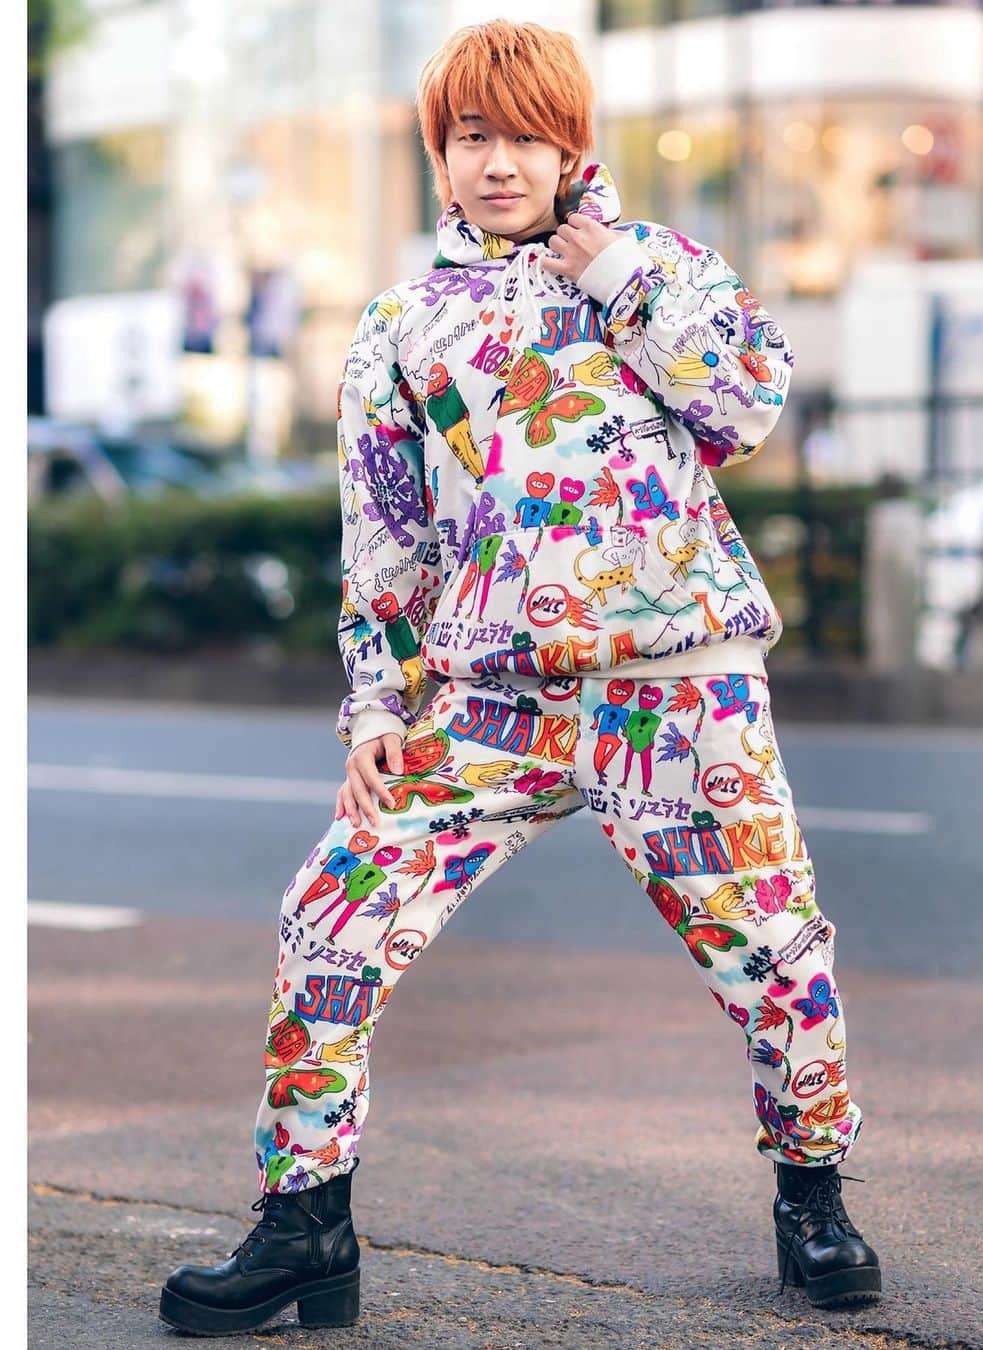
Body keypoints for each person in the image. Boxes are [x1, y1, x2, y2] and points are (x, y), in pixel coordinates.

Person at [159, 18, 881, 1337]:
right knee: (327, 922)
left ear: (571, 145)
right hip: (492, 698)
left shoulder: (663, 266)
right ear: (439, 156)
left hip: (681, 688)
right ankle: (304, 1222)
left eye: (526, 135)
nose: (499, 161)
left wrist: (623, 277)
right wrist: (377, 699)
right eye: (471, 136)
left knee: (773, 952)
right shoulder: (403, 326)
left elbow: (750, 409)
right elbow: (385, 533)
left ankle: (814, 1193)